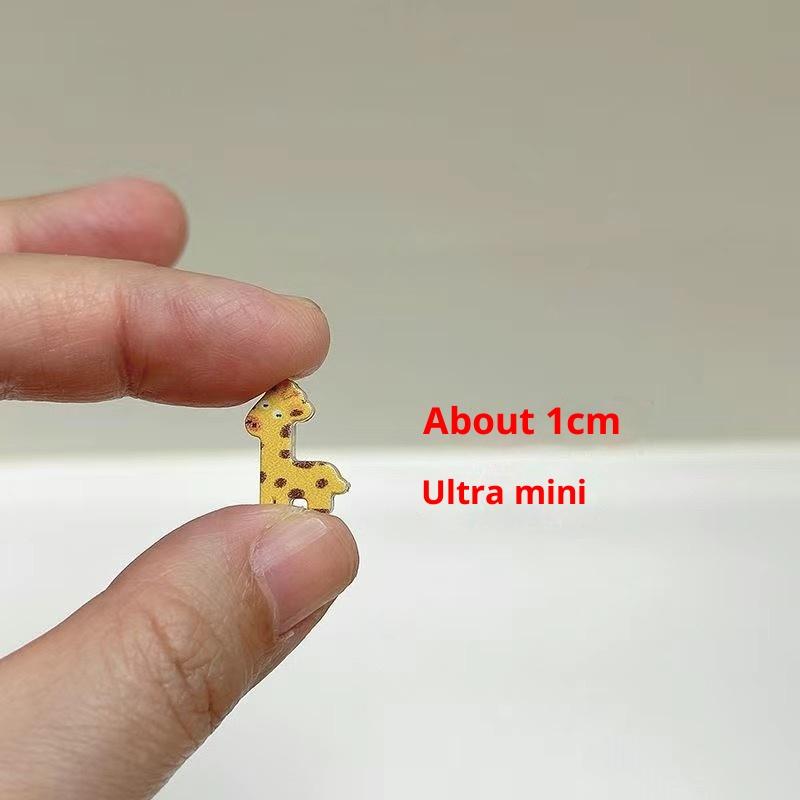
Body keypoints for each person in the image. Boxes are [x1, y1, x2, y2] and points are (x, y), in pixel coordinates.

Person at [0, 178, 359, 798]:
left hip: (286, 469)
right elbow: (261, 421)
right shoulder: (271, 419)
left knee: (311, 480)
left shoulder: (278, 418)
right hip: (283, 473)